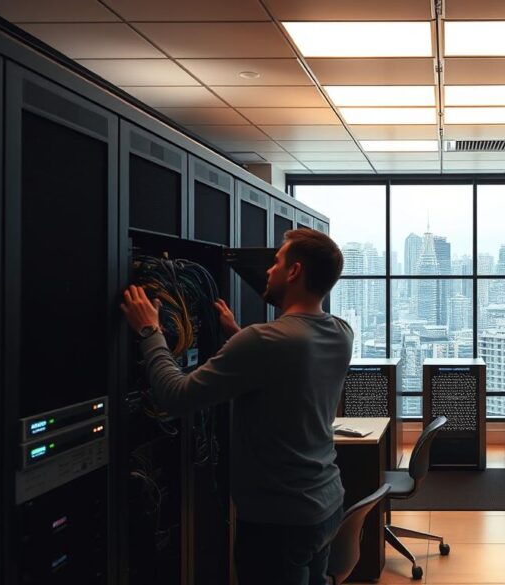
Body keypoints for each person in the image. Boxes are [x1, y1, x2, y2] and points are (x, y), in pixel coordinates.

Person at [121, 228, 353, 585]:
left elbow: (177, 396)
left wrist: (150, 331)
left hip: (278, 521)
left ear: (294, 272)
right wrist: (236, 333)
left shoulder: (262, 341)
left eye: (276, 263)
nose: (268, 271)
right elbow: (288, 364)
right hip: (325, 505)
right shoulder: (341, 332)